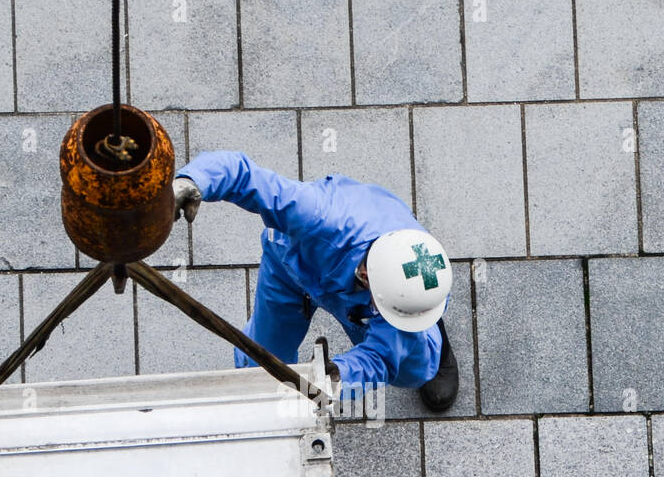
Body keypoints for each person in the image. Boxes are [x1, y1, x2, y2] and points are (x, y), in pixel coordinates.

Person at [170, 151, 459, 411]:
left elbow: (380, 358)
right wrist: (192, 181)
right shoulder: (318, 214)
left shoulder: (407, 286)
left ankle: (432, 331)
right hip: (291, 270)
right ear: (367, 276)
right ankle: (262, 397)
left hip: (367, 300)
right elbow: (243, 176)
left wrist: (336, 376)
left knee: (413, 366)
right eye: (395, 310)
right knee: (262, 363)